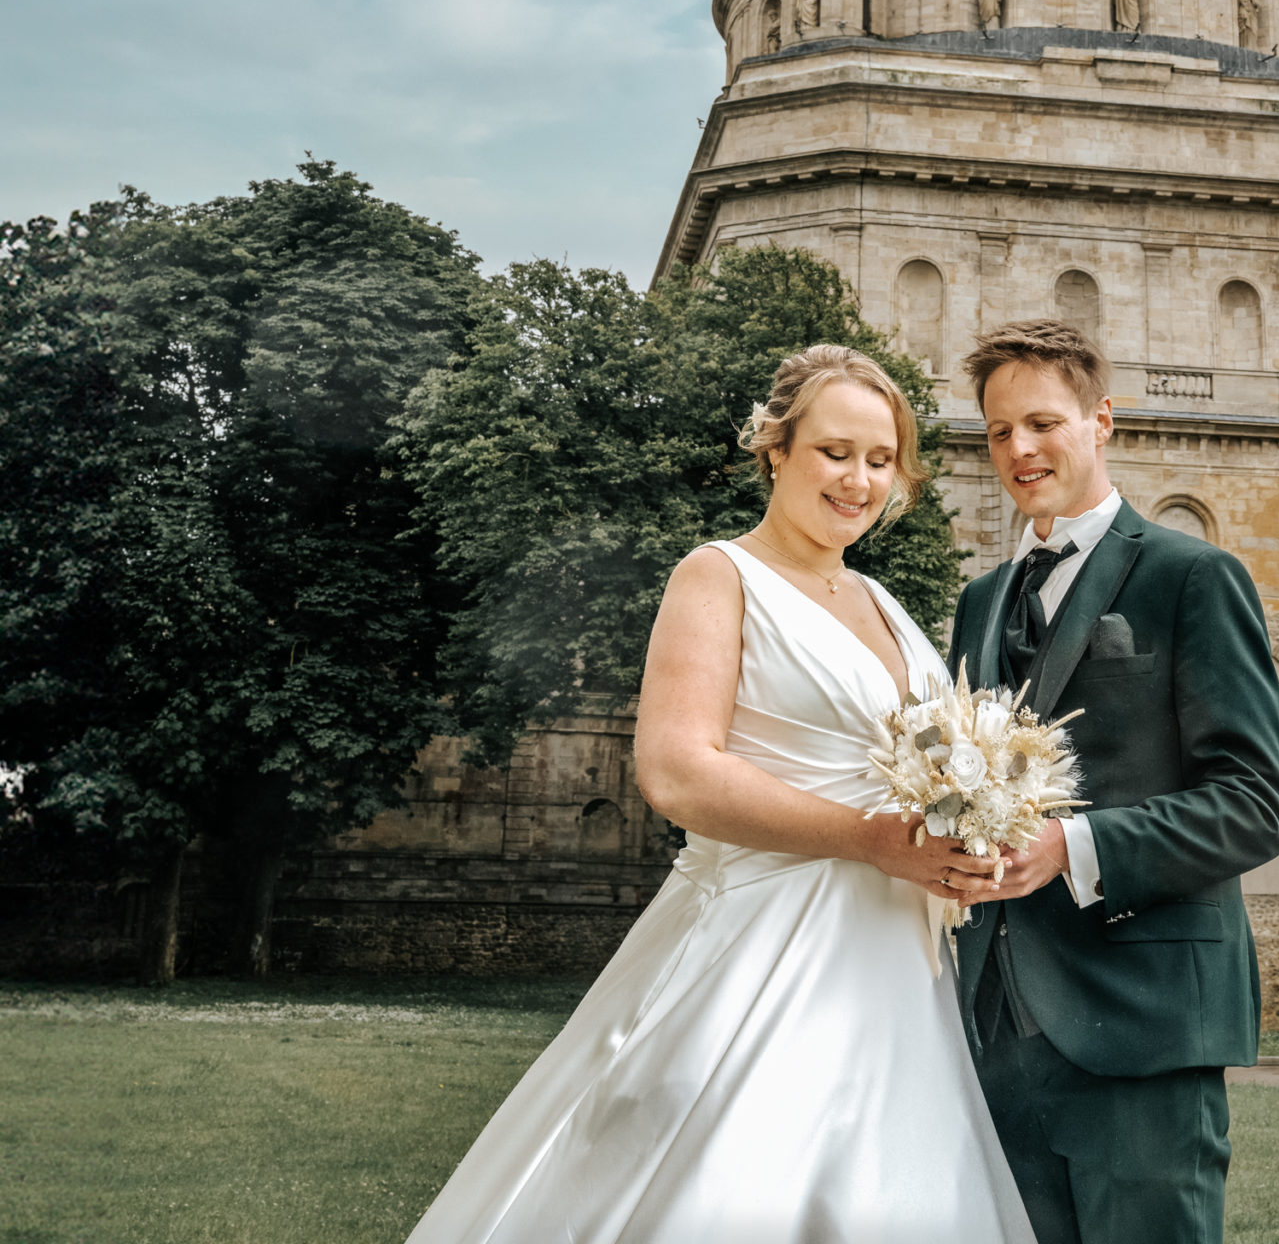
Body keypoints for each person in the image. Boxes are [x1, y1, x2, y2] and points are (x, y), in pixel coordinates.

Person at [406, 343, 1035, 1244]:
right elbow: (676, 771)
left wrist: (967, 837)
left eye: (881, 459)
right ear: (775, 449)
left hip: (893, 955)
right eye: (834, 451)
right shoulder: (719, 575)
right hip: (758, 938)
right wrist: (870, 838)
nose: (858, 479)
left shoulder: (885, 603)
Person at [948, 320, 1279, 1244]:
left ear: (1103, 420)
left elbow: (1254, 805)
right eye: (998, 432)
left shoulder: (1195, 577)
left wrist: (1072, 847)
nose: (1019, 450)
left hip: (1146, 1021)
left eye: (1043, 424)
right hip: (996, 1024)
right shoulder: (978, 603)